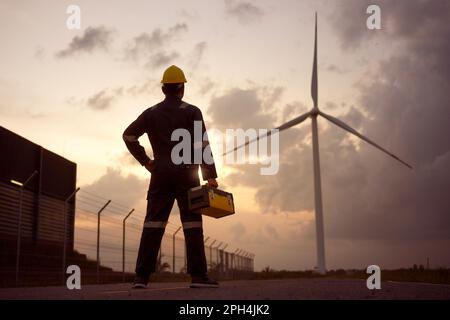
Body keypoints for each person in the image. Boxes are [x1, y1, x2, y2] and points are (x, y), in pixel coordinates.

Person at [122, 65, 219, 289]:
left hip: (161, 175)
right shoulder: (192, 111)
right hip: (187, 174)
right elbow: (202, 144)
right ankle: (198, 277)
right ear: (181, 88)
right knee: (193, 225)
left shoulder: (151, 113)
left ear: (164, 88)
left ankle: (141, 278)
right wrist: (210, 175)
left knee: (153, 224)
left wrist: (146, 161)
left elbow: (128, 136)